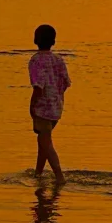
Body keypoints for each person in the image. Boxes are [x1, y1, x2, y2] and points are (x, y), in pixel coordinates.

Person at [28, 24, 70, 184]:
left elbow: (38, 87)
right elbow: (65, 83)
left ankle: (59, 176)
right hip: (56, 108)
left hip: (42, 108)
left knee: (46, 143)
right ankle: (38, 173)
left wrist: (32, 105)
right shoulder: (58, 59)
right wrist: (57, 99)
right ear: (53, 41)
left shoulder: (36, 60)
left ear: (35, 40)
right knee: (43, 142)